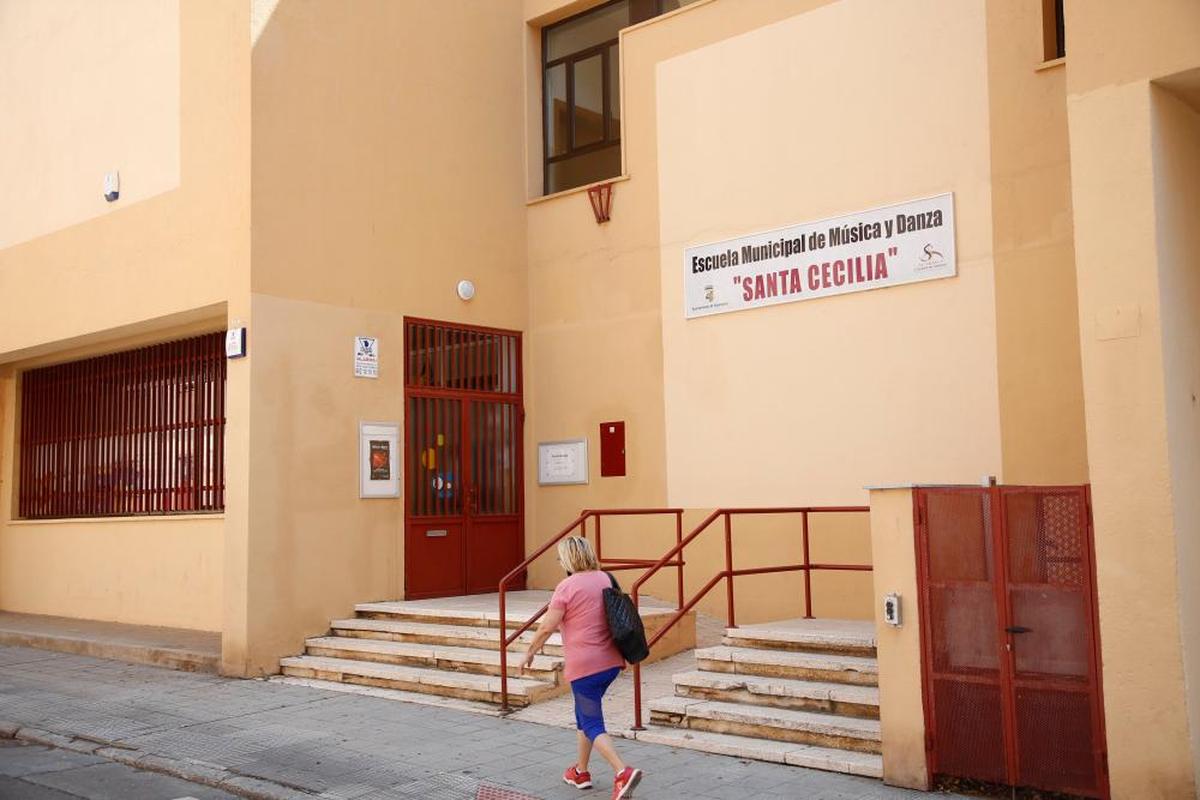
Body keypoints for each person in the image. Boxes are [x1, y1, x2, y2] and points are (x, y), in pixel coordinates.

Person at [521, 536, 643, 799]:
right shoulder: (605, 578)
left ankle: (622, 772)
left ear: (567, 558)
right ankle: (580, 771)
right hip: (610, 662)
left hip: (585, 667)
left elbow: (546, 627)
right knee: (584, 716)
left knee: (591, 722)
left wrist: (529, 652)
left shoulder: (566, 586)